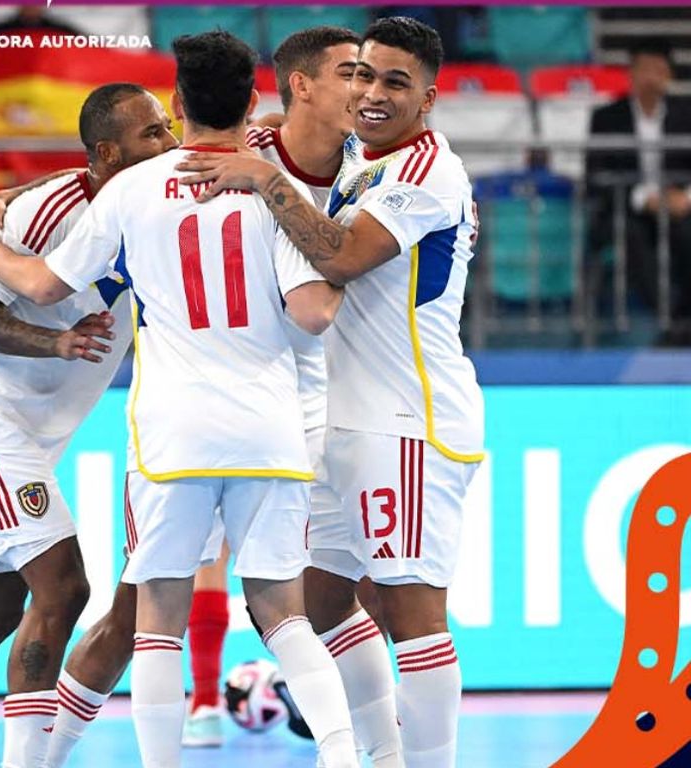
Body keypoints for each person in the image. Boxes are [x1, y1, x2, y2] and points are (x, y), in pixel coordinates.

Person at [0, 30, 359, 768]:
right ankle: (345, 756)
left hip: (173, 435)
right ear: (252, 103)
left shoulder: (131, 189)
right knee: (283, 614)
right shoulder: (279, 192)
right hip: (270, 428)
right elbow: (313, 314)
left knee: (156, 624)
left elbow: (47, 285)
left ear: (176, 105)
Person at [178, 16, 485, 768]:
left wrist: (267, 178)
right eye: (363, 74)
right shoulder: (364, 157)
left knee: (412, 609)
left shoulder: (424, 172)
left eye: (394, 82)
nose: (372, 93)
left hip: (407, 419)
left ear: (429, 99)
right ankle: (381, 755)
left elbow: (343, 258)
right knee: (311, 602)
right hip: (342, 420)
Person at [0, 82, 178, 768]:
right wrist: (53, 341)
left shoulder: (149, 198)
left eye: (168, 130)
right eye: (153, 136)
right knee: (66, 589)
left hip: (32, 438)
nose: (169, 146)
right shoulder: (47, 211)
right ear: (109, 153)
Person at [586, 39, 691, 345]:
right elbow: (596, 174)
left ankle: (685, 317)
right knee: (629, 235)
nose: (651, 77)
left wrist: (685, 198)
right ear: (630, 74)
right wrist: (644, 198)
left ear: (669, 75)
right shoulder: (606, 117)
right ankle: (670, 320)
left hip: (677, 207)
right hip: (624, 209)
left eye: (659, 70)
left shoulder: (686, 116)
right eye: (644, 69)